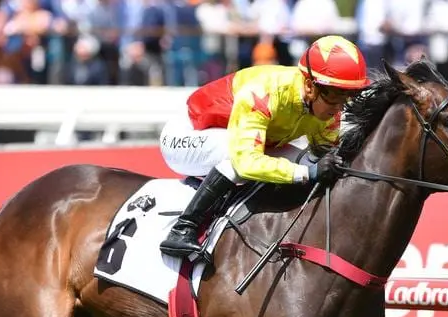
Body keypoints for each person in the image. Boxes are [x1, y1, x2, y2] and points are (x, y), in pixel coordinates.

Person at [158, 35, 371, 258]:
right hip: (187, 135)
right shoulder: (264, 92)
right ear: (310, 86)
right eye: (336, 96)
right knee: (236, 159)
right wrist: (308, 173)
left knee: (305, 162)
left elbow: (323, 157)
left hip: (237, 136)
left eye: (348, 96)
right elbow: (246, 162)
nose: (339, 108)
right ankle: (182, 229)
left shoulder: (327, 109)